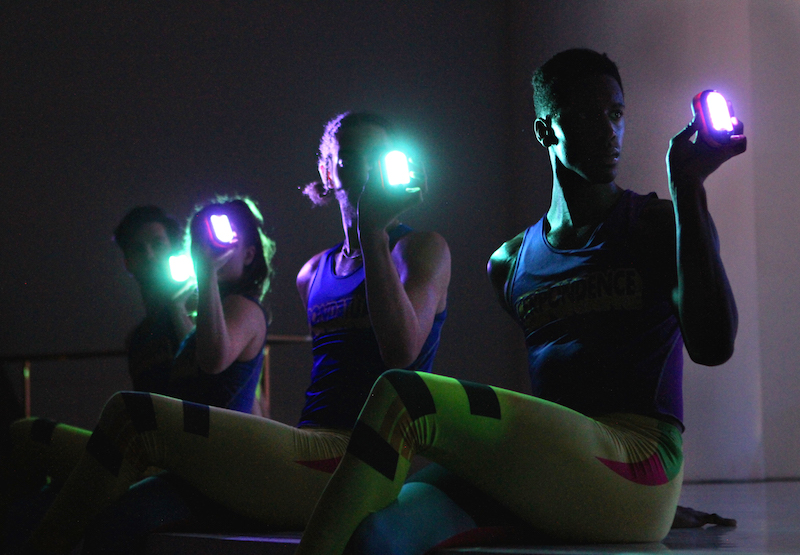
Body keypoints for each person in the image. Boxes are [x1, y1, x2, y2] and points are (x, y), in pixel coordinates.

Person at [294, 48, 744, 555]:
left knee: (406, 395)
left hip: (639, 463)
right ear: (546, 130)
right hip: (556, 473)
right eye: (585, 116)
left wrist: (688, 188)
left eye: (615, 114)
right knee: (378, 533)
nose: (607, 131)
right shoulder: (509, 263)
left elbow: (712, 345)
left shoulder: (655, 224)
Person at [20, 112, 451, 554]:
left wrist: (373, 231)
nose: (365, 168)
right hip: (311, 449)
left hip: (362, 464)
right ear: (326, 172)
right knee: (118, 498)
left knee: (134, 416)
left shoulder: (420, 248)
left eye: (377, 156)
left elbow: (402, 352)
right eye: (352, 157)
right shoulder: (312, 274)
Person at [3, 197, 275, 552]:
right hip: (159, 456)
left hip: (193, 469)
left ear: (250, 254)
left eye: (158, 245)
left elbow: (222, 374)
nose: (149, 256)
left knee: (43, 453)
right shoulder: (149, 336)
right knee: (33, 470)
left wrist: (195, 289)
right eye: (138, 249)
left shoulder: (234, 311)